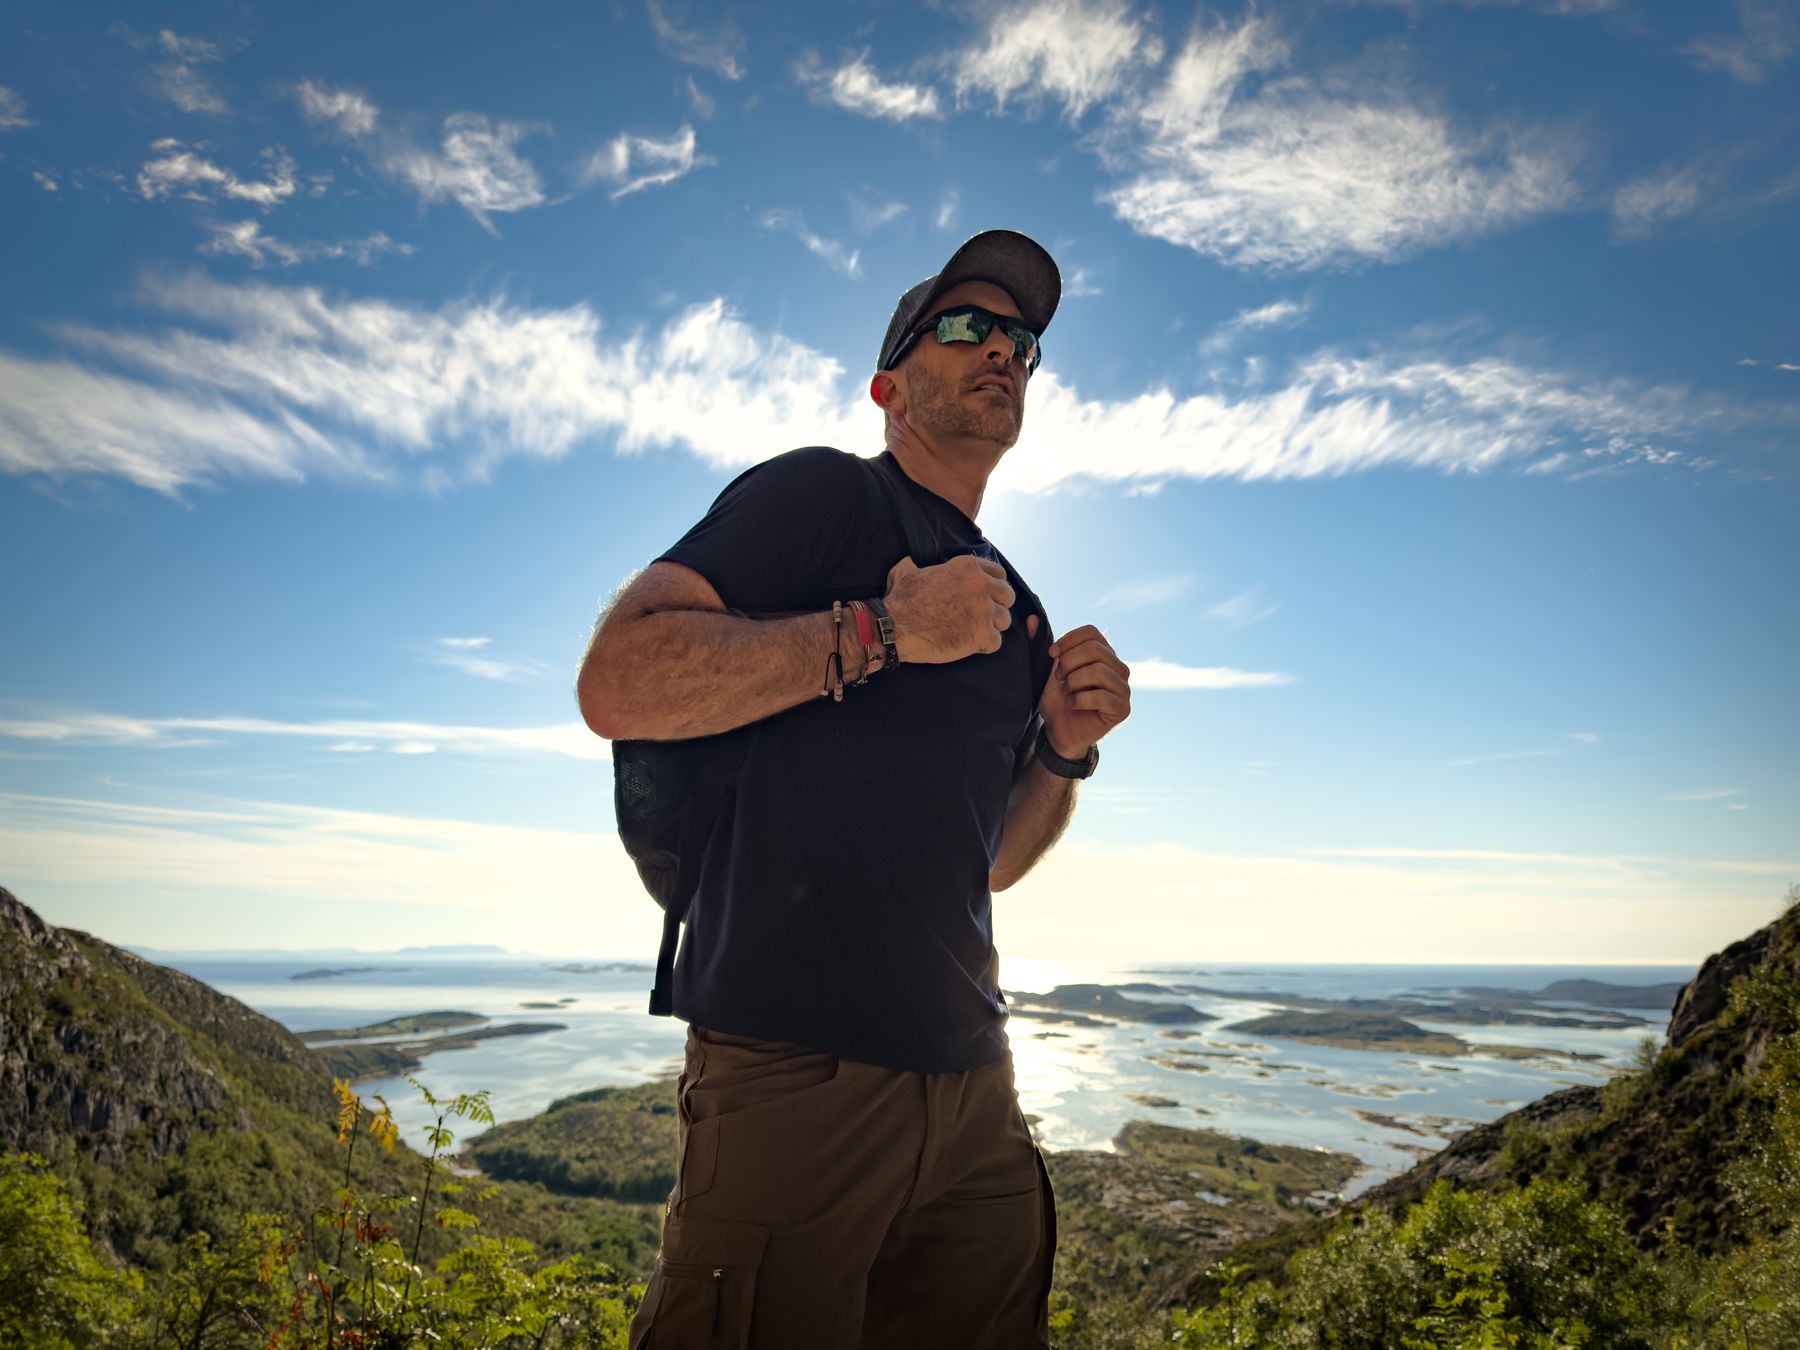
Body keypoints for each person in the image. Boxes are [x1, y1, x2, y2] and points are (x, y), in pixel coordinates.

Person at [577, 229, 1133, 1349]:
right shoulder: (823, 495)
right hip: (796, 1072)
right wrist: (884, 630)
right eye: (965, 326)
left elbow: (990, 864)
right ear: (890, 387)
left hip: (976, 1085)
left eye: (1021, 340)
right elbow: (618, 679)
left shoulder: (1017, 605)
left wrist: (1064, 750)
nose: (1003, 351)